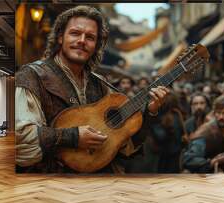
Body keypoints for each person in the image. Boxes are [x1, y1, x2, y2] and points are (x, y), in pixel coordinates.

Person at [15, 6, 169, 173]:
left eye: (90, 37)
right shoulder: (32, 76)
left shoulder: (100, 84)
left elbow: (124, 147)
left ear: (96, 45)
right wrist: (74, 137)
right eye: (75, 33)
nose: (82, 40)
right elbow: (20, 138)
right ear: (60, 37)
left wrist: (150, 112)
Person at [181, 95, 224, 173]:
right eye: (218, 113)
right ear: (214, 113)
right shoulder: (207, 131)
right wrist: (211, 162)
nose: (221, 117)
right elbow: (189, 159)